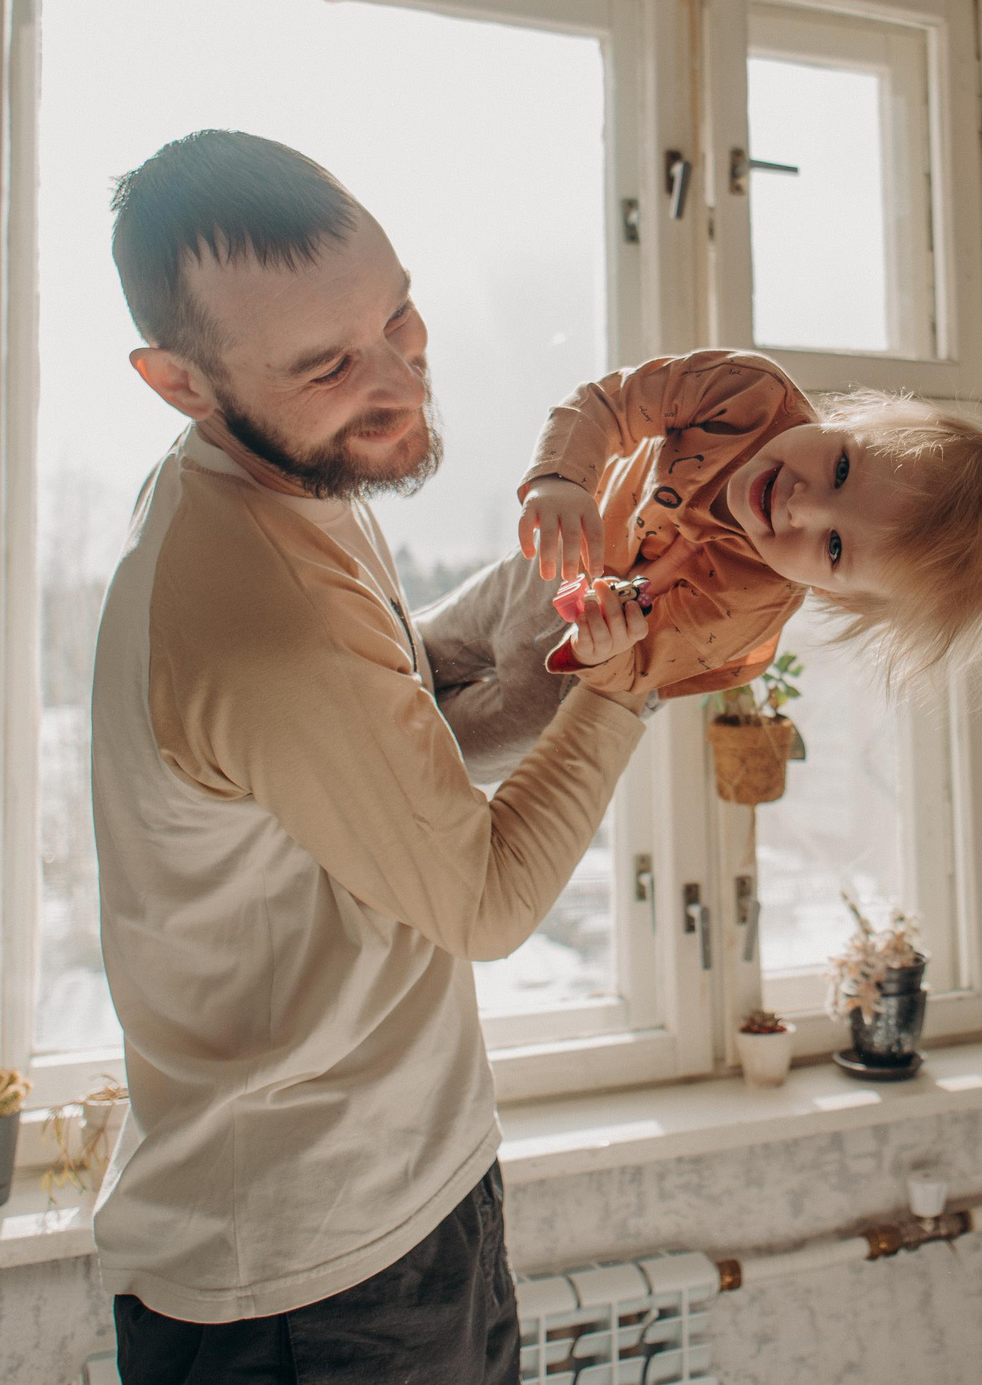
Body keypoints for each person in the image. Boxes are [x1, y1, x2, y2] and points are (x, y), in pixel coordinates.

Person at [86, 129, 652, 1385]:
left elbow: (383, 723)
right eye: (332, 362)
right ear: (179, 382)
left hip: (386, 1205)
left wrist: (548, 612)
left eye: (398, 316)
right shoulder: (258, 606)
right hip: (312, 1282)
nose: (399, 379)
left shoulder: (268, 476)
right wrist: (621, 688)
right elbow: (486, 900)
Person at [517, 350, 982, 698]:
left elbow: (638, 669)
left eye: (836, 548)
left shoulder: (753, 602)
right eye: (842, 468)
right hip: (574, 535)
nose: (801, 506)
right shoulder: (749, 393)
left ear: (831, 591)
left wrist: (599, 651)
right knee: (442, 632)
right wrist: (562, 481)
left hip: (607, 650)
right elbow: (610, 402)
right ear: (852, 418)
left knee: (489, 729)